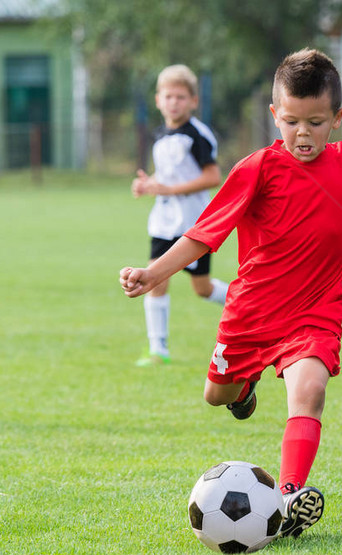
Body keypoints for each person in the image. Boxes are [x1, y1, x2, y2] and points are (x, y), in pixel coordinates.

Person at [120, 48, 342, 538]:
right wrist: (154, 272)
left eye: (316, 122)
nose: (302, 133)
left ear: (338, 119)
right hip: (251, 312)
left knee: (310, 391)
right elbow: (203, 235)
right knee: (216, 396)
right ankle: (243, 388)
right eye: (290, 122)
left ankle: (288, 499)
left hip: (315, 311)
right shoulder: (257, 168)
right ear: (274, 116)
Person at [131, 64, 229, 367]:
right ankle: (157, 348)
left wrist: (170, 189)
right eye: (168, 96)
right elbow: (168, 174)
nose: (174, 102)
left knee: (203, 288)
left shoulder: (197, 135)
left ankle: (254, 305)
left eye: (181, 97)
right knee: (154, 279)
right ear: (158, 100)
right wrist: (147, 184)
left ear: (193, 101)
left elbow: (213, 176)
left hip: (193, 224)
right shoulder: (160, 134)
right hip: (163, 222)